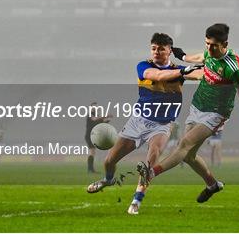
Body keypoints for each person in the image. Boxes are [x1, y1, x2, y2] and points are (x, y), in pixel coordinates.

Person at [137, 23, 239, 203]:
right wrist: (183, 56)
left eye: (213, 45)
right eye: (207, 43)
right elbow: (202, 57)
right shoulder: (209, 52)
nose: (209, 48)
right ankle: (212, 184)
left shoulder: (235, 69)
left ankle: (151, 173)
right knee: (189, 156)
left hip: (216, 113)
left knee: (184, 144)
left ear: (225, 44)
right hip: (197, 106)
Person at [86, 33, 202, 215]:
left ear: (169, 51)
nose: (156, 52)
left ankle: (136, 200)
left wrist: (195, 64)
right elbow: (157, 75)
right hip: (138, 122)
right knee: (109, 160)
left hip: (162, 125)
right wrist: (183, 71)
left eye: (161, 49)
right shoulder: (144, 66)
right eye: (154, 48)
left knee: (152, 156)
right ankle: (108, 179)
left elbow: (202, 74)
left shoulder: (180, 69)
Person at [85, 101, 112, 173]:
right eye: (93, 106)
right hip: (89, 135)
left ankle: (90, 169)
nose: (95, 108)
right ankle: (90, 169)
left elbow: (100, 122)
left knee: (92, 152)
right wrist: (105, 117)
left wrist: (106, 121)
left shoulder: (96, 115)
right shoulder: (90, 114)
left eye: (96, 106)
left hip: (93, 135)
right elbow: (95, 119)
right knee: (92, 152)